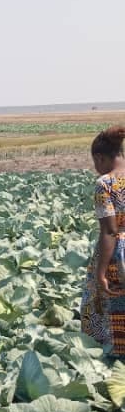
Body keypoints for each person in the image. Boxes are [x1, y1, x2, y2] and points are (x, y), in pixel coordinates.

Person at [81, 126, 125, 358]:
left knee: (100, 308)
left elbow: (109, 231)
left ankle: (113, 360)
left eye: (95, 162)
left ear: (100, 158)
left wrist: (100, 274)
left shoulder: (105, 183)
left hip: (118, 255)